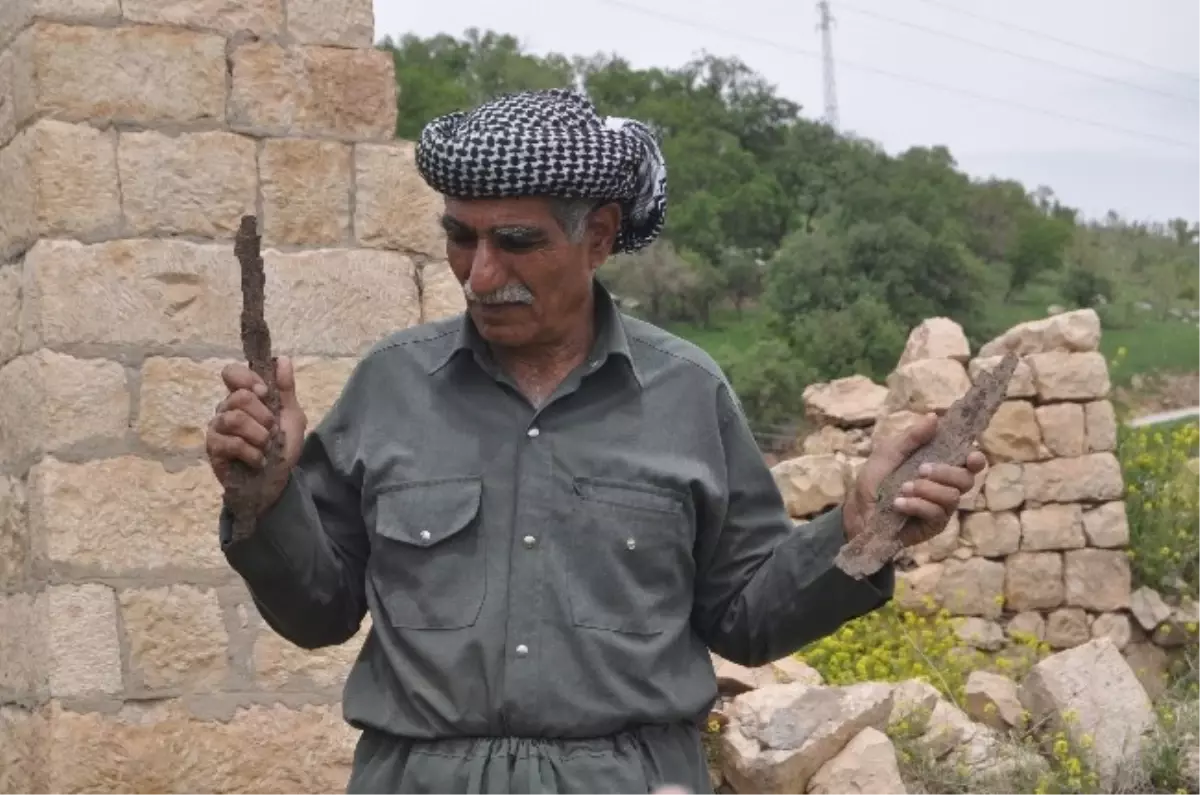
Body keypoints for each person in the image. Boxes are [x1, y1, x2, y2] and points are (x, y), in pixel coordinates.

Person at [205, 88, 985, 795]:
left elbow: (747, 616)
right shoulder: (390, 387)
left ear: (600, 236)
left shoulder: (688, 394)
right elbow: (320, 613)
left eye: (515, 241)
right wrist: (268, 499)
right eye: (460, 237)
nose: (480, 275)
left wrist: (856, 534)